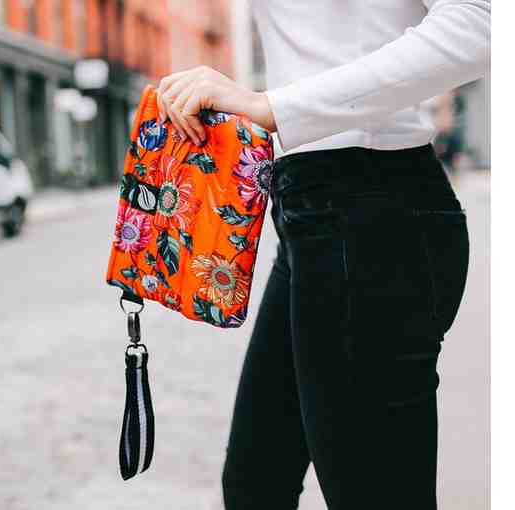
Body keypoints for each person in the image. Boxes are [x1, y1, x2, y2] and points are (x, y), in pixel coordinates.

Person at [156, 1, 490, 508]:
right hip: (311, 213)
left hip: (371, 212)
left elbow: (481, 20)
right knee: (255, 484)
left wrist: (274, 106)